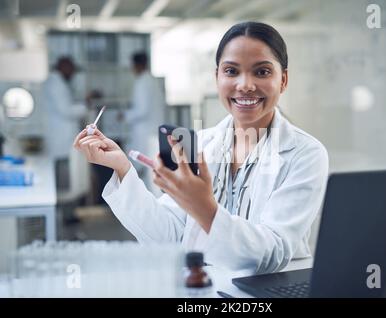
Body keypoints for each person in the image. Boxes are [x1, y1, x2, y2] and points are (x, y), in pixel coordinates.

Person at [74, 22, 329, 274]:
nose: (245, 85)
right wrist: (122, 169)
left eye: (261, 72)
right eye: (231, 71)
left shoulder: (305, 154)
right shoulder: (203, 144)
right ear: (216, 77)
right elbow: (170, 235)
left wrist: (203, 207)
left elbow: (272, 252)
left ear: (283, 80)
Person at [120, 52, 165, 190]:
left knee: (145, 171)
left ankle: (146, 208)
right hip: (151, 132)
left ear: (137, 65)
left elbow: (142, 110)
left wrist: (124, 115)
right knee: (150, 171)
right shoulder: (151, 81)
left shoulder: (142, 82)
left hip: (145, 134)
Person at [43, 56, 87, 191]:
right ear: (63, 67)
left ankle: (63, 205)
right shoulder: (56, 84)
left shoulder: (58, 82)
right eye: (71, 69)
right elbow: (66, 110)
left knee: (66, 175)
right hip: (60, 138)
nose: (72, 73)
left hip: (62, 136)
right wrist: (86, 106)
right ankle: (62, 207)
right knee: (63, 180)